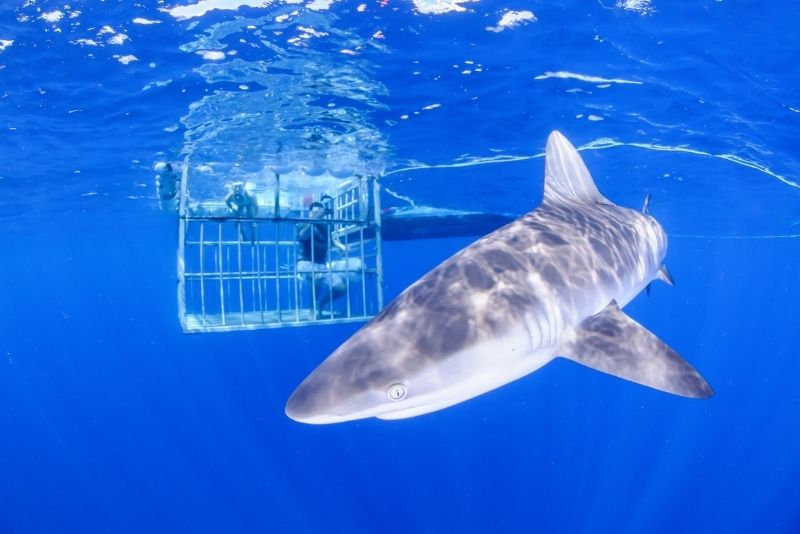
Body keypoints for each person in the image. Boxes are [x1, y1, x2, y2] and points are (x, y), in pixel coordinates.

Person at [296, 196, 362, 318]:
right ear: (310, 212)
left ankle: (320, 303)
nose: (319, 214)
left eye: (320, 213)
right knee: (317, 276)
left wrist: (341, 246)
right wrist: (313, 220)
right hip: (305, 262)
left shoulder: (326, 226)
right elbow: (302, 237)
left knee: (341, 288)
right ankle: (312, 310)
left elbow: (330, 241)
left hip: (321, 265)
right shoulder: (304, 223)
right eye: (315, 212)